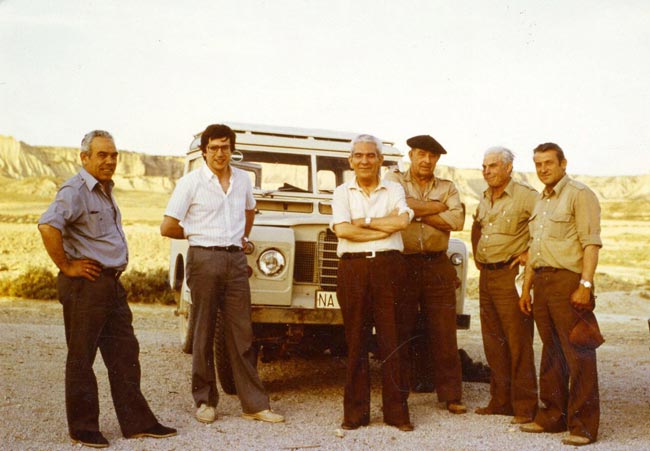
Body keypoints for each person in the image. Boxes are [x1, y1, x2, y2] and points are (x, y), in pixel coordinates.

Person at [38, 130, 177, 449]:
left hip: (111, 284)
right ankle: (84, 429)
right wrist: (67, 266)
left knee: (125, 353)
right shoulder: (75, 190)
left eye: (114, 155)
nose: (110, 160)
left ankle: (138, 423)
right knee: (82, 356)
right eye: (102, 155)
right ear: (84, 157)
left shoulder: (104, 190)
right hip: (85, 283)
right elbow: (48, 225)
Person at [160, 123, 283, 425]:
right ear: (204, 151)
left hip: (235, 261)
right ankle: (205, 401)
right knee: (203, 332)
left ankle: (254, 404)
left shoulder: (241, 180)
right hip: (204, 258)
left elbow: (250, 210)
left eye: (225, 147)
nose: (219, 153)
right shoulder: (191, 182)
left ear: (232, 149)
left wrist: (241, 237)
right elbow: (167, 226)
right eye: (213, 148)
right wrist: (198, 232)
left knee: (242, 334)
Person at [518, 142, 602, 446]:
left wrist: (586, 285)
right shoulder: (541, 201)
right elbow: (534, 250)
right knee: (551, 351)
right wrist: (526, 288)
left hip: (568, 281)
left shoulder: (579, 195)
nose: (542, 169)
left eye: (548, 163)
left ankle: (583, 426)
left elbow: (591, 243)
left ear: (563, 164)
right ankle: (553, 416)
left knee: (578, 352)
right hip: (542, 281)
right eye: (538, 164)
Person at [331, 134, 413, 431]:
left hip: (389, 268)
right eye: (359, 155)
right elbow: (342, 230)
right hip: (353, 269)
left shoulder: (394, 188)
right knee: (355, 341)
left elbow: (401, 223)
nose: (365, 160)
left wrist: (363, 223)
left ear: (380, 159)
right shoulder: (342, 192)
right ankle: (355, 414)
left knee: (393, 340)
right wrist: (382, 229)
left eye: (371, 155)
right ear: (350, 160)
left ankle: (397, 413)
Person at [384, 134, 467, 415]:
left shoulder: (448, 186)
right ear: (411, 156)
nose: (426, 160)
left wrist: (414, 212)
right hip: (402, 263)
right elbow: (394, 209)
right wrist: (436, 208)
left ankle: (451, 395)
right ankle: (399, 394)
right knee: (400, 329)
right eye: (421, 154)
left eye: (432, 156)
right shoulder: (394, 181)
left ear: (437, 160)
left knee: (444, 330)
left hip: (436, 263)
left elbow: (456, 221)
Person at [471, 146, 538, 424]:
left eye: (493, 166)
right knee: (493, 341)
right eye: (484, 167)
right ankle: (500, 401)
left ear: (508, 168)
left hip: (510, 276)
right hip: (487, 276)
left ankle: (524, 407)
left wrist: (528, 254)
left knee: (518, 341)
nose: (487, 171)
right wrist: (477, 256)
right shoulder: (485, 197)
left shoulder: (526, 196)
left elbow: (543, 229)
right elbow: (477, 226)